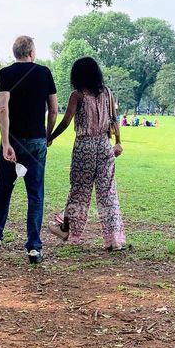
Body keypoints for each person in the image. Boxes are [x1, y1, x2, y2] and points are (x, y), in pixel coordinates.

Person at [0, 35, 57, 265]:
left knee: (3, 190)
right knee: (35, 194)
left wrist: (6, 143)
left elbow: (3, 109)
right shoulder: (44, 73)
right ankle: (33, 248)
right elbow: (53, 110)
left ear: (15, 53)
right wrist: (47, 135)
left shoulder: (6, 74)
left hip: (12, 140)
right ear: (32, 52)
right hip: (36, 141)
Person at [47, 57, 126, 251]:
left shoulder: (78, 95)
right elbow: (114, 120)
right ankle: (114, 239)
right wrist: (118, 142)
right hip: (104, 146)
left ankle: (67, 229)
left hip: (84, 147)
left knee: (79, 191)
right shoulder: (107, 93)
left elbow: (66, 121)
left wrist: (50, 136)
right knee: (107, 193)